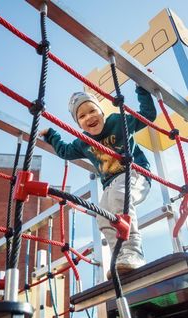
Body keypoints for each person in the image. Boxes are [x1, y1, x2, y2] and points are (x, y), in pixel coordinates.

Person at [39, 86, 157, 277]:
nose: (89, 117)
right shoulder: (83, 142)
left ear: (101, 111)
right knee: (102, 216)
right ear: (78, 124)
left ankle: (133, 253)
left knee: (120, 198)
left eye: (93, 110)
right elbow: (65, 152)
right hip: (110, 184)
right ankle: (120, 257)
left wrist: (142, 88)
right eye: (82, 116)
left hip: (135, 174)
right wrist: (51, 135)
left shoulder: (119, 121)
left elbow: (148, 115)